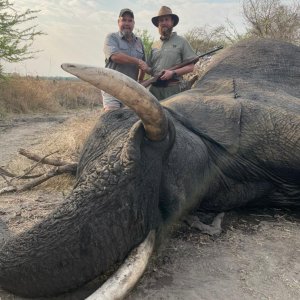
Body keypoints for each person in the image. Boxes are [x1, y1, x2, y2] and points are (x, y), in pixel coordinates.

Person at [141, 6, 197, 101]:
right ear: (158, 24)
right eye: (161, 20)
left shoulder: (182, 41)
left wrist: (173, 72)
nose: (163, 23)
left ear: (172, 22)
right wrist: (146, 68)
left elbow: (191, 67)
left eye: (166, 19)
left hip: (173, 90)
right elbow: (151, 70)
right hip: (154, 91)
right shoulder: (154, 45)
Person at [103, 8, 146, 111]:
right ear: (118, 22)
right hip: (112, 88)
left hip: (132, 91)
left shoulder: (139, 42)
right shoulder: (111, 38)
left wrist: (140, 81)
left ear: (134, 23)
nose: (127, 23)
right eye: (124, 20)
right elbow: (115, 56)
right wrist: (137, 61)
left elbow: (143, 64)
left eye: (130, 20)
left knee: (130, 121)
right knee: (112, 117)